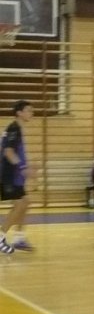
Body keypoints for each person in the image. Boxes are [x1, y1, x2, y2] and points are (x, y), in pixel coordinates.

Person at [0, 100, 37, 253]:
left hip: (15, 176)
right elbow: (8, 152)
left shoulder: (17, 129)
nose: (31, 113)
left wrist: (27, 167)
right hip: (9, 175)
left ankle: (19, 238)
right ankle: (1, 236)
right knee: (20, 204)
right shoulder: (14, 128)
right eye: (28, 110)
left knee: (25, 202)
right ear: (19, 113)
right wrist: (23, 168)